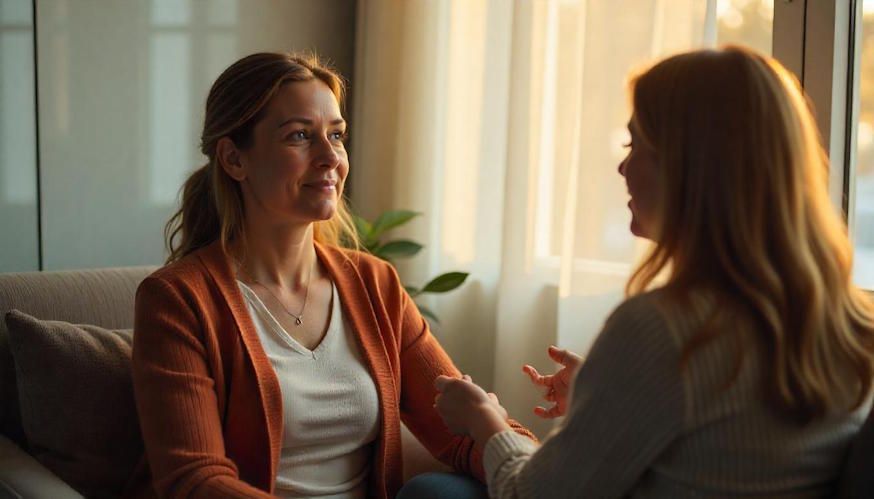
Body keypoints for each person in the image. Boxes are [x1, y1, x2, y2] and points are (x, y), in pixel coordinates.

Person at [433, 45, 874, 498]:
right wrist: (609, 397)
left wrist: (484, 420)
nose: (623, 167)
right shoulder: (847, 326)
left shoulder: (662, 331)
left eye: (636, 144)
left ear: (693, 167)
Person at [127, 52, 535, 499]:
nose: (330, 157)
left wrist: (541, 470)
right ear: (233, 159)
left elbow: (459, 432)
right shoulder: (177, 299)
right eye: (300, 136)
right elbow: (195, 481)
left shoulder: (374, 283)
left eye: (336, 135)